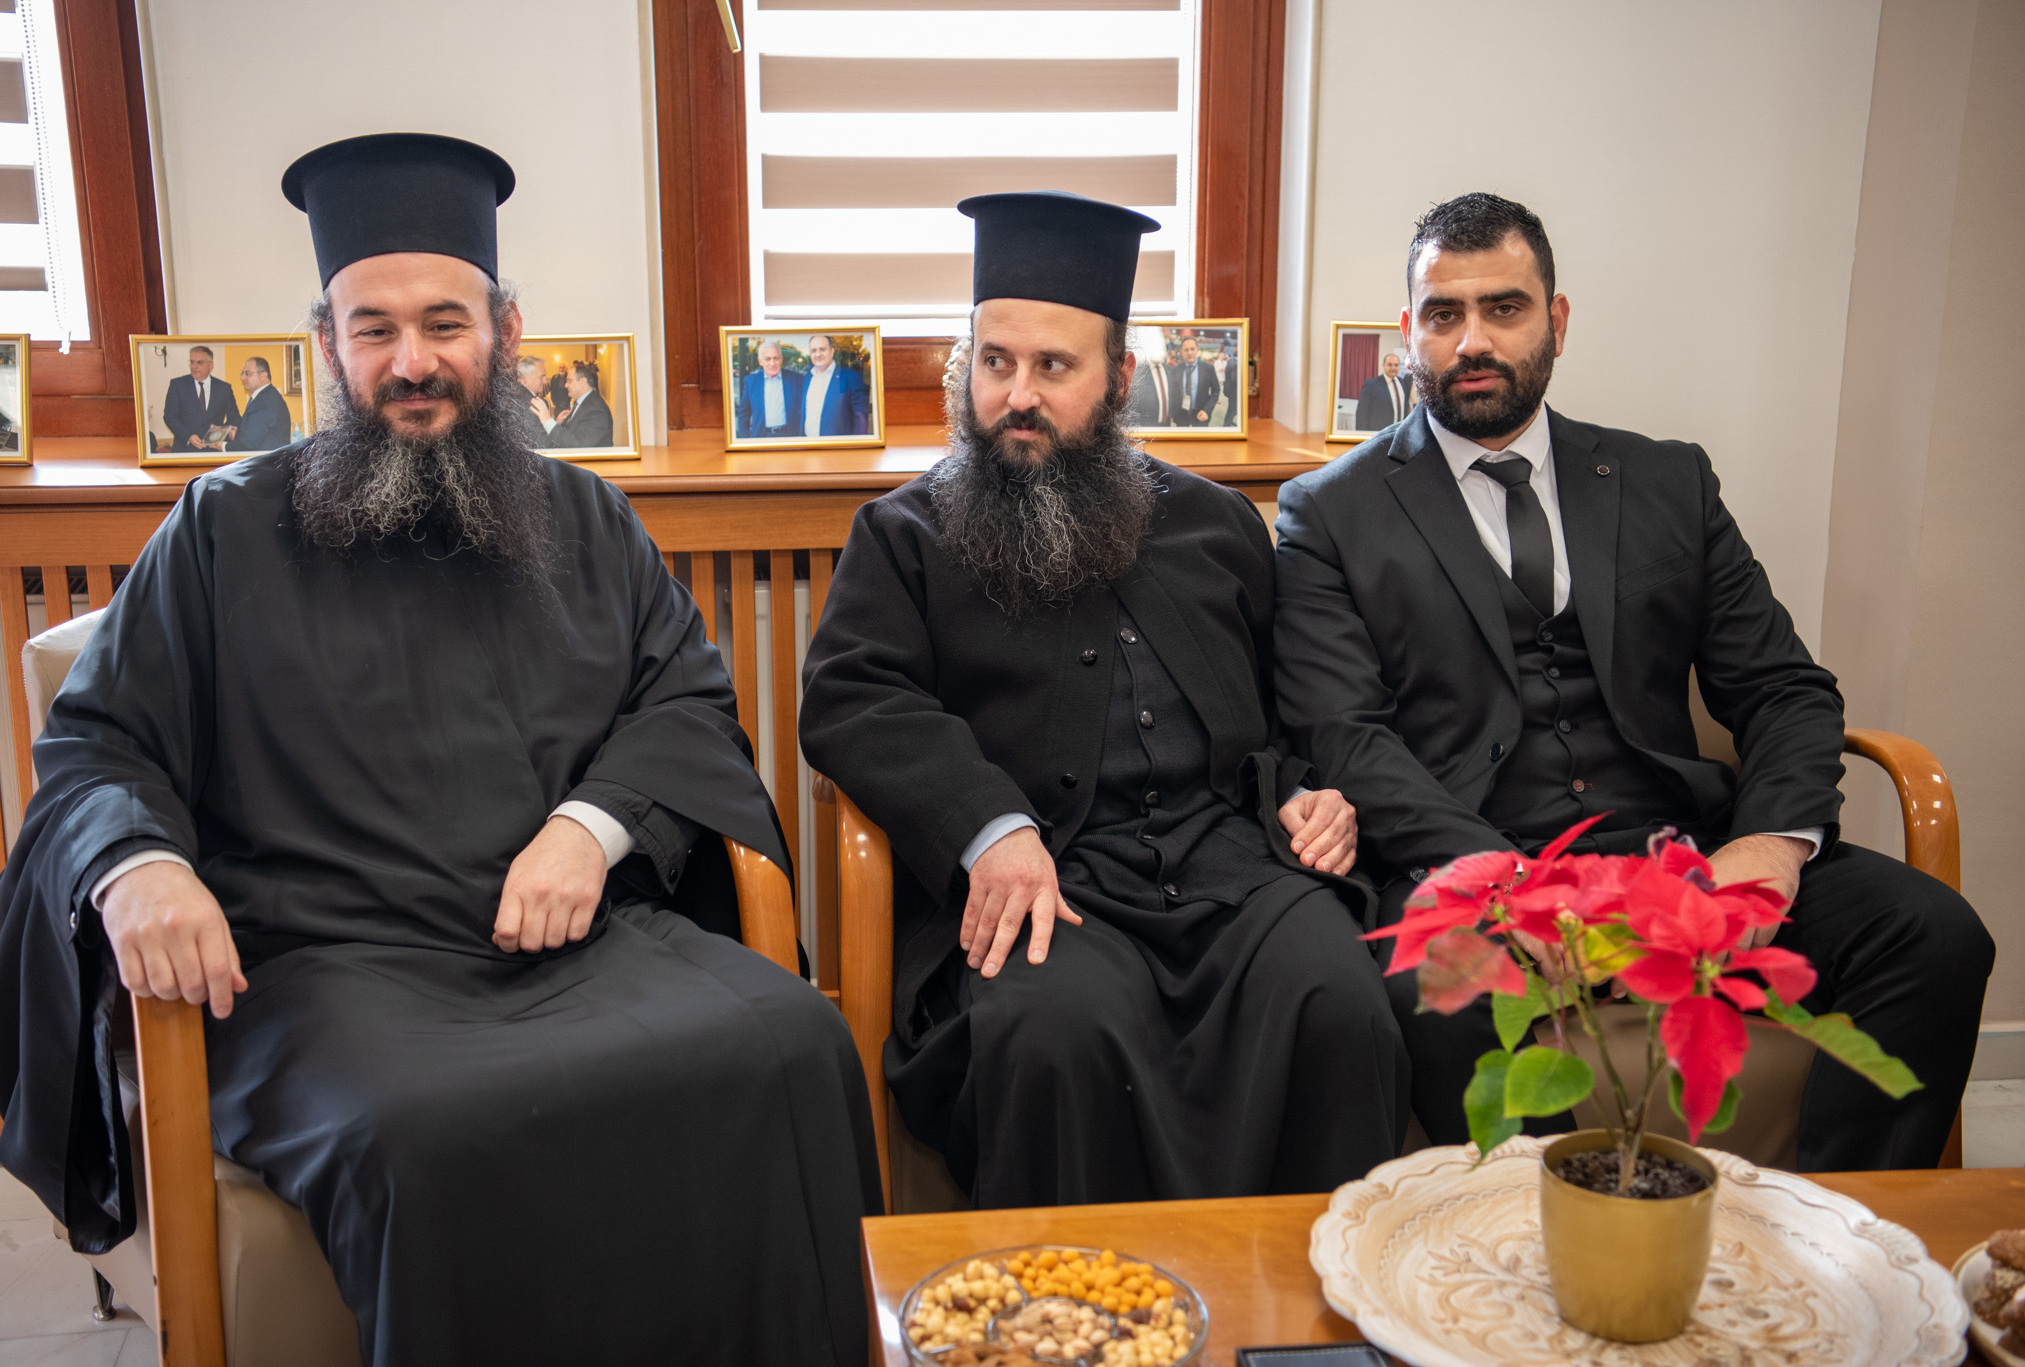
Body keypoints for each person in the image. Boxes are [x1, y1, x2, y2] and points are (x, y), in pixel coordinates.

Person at [0, 133, 879, 1366]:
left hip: (570, 944)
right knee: (437, 1128)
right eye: (375, 329)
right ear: (327, 346)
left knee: (796, 1046)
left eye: (445, 324)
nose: (412, 362)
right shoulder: (221, 529)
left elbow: (683, 701)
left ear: (505, 332)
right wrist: (139, 864)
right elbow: (97, 743)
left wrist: (590, 828)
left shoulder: (585, 517)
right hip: (322, 970)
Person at [1273, 191, 1992, 1171]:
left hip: (1681, 855)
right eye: (1444, 314)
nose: (1472, 340)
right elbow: (1345, 735)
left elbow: (1782, 687)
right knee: (1427, 992)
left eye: (1504, 308)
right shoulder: (1328, 512)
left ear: (1556, 320)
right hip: (1479, 865)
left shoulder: (1668, 481)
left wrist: (1768, 847)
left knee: (1936, 934)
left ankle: (1828, 1224)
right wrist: (1511, 890)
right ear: (1409, 332)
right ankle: (1544, 1237)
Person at [800, 190, 1407, 1211]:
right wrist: (989, 828)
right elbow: (851, 695)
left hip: (1233, 867)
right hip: (1046, 875)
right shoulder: (904, 535)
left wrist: (1310, 794)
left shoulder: (1217, 524)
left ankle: (1310, 1298)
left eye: (1053, 366)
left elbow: (1283, 715)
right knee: (1058, 1031)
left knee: (1339, 997)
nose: (1016, 395)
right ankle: (1076, 1298)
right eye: (995, 361)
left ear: (1119, 378)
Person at [161, 345, 239, 451]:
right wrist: (188, 436)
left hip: (213, 450)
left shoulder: (224, 388)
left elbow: (235, 417)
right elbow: (169, 416)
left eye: (199, 363)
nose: (194, 366)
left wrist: (221, 433)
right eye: (192, 362)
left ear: (210, 365)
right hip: (184, 450)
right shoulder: (178, 385)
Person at [800, 334, 872, 439]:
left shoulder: (851, 378)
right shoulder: (806, 378)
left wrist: (858, 446)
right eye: (813, 351)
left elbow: (860, 419)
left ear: (832, 351)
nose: (818, 354)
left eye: (822, 349)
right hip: (808, 444)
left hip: (837, 446)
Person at [737, 338, 806, 440]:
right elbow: (744, 414)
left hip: (790, 436)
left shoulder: (796, 379)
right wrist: (744, 440)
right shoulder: (751, 381)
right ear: (760, 361)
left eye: (776, 358)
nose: (772, 363)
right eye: (767, 359)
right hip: (761, 437)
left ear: (781, 359)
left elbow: (805, 410)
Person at [542, 358, 615, 448]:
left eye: (569, 381)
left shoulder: (596, 410)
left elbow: (579, 445)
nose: (565, 385)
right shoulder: (583, 401)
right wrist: (558, 422)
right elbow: (572, 431)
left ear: (582, 381)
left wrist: (548, 422)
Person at [226, 355, 293, 452]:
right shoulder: (265, 396)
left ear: (263, 375)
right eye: (242, 374)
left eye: (247, 373)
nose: (243, 378)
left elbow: (250, 444)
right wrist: (238, 433)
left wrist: (224, 446)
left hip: (268, 460)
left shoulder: (265, 401)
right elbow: (257, 433)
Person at [1167, 332, 1219, 427]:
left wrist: (1207, 410)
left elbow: (1216, 391)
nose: (1189, 352)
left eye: (1192, 349)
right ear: (1181, 352)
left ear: (1197, 350)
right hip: (1181, 415)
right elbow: (1172, 393)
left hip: (1201, 413)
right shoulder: (1175, 369)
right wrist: (1171, 413)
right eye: (1186, 350)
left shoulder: (1208, 368)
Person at [1354, 351, 1412, 431]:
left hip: (1399, 432)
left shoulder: (1403, 383)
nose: (1393, 368)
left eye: (1396, 365)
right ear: (1383, 365)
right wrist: (1361, 434)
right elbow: (1362, 414)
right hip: (1380, 433)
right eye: (1389, 365)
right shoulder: (1371, 385)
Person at [514, 354, 551, 445]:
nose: (545, 381)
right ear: (526, 377)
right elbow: (542, 445)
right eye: (542, 377)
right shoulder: (530, 403)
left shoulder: (516, 393)